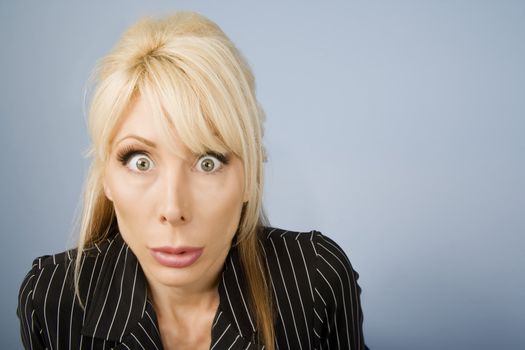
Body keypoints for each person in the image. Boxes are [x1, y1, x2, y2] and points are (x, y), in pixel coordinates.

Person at [17, 11, 368, 350]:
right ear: (106, 177)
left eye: (207, 162)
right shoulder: (51, 300)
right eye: (140, 162)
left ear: (250, 179)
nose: (173, 209)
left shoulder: (316, 280)